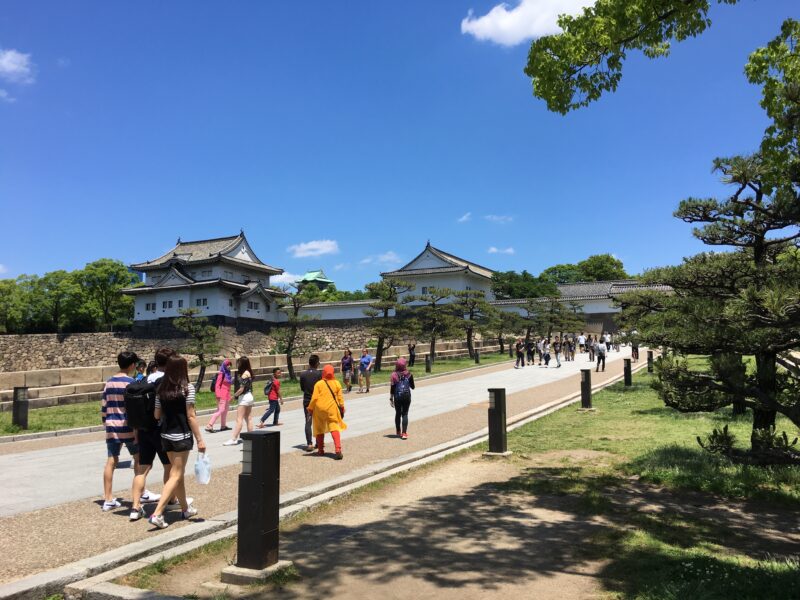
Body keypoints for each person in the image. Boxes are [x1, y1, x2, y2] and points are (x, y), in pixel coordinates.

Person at [147, 355, 206, 529]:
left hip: (165, 435)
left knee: (176, 473)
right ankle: (157, 513)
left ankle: (185, 509)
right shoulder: (187, 388)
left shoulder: (161, 390)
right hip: (181, 435)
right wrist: (200, 439)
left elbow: (157, 415)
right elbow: (191, 416)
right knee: (176, 474)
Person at [129, 347, 177, 520]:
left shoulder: (146, 378)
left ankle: (135, 507)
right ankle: (170, 499)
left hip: (143, 429)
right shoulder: (167, 380)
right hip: (160, 429)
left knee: (142, 470)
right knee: (169, 467)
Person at [101, 351, 140, 512]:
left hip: (111, 425)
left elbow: (104, 406)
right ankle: (139, 494)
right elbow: (134, 408)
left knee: (111, 460)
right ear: (132, 365)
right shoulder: (130, 383)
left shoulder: (109, 383)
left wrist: (106, 422)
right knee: (138, 459)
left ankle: (108, 498)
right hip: (128, 426)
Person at [308, 364, 346, 459]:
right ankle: (338, 449)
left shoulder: (319, 384)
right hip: (332, 408)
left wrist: (310, 408)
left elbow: (314, 398)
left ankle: (320, 450)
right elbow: (340, 398)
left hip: (319, 409)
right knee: (334, 427)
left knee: (319, 428)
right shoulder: (337, 383)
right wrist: (342, 407)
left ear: (323, 373)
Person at [223, 356, 254, 446]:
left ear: (242, 364)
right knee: (248, 418)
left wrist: (233, 397)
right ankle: (251, 437)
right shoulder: (248, 372)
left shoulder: (245, 374)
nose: (238, 364)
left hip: (244, 397)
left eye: (239, 363)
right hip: (249, 396)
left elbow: (241, 389)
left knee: (239, 419)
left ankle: (233, 439)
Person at [299, 355, 323, 451]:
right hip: (317, 401)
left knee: (308, 422)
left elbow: (302, 388)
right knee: (318, 422)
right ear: (317, 363)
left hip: (307, 401)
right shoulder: (319, 374)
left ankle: (309, 443)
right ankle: (318, 442)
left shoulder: (303, 374)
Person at [390, 358, 415, 439]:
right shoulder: (409, 374)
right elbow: (413, 387)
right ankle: (404, 433)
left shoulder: (394, 375)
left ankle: (398, 431)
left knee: (398, 413)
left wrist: (391, 398)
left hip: (397, 396)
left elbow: (392, 388)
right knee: (405, 413)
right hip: (407, 396)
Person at [206, 359, 233, 433]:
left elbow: (228, 386)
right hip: (221, 394)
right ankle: (209, 425)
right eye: (227, 364)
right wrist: (218, 395)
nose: (229, 366)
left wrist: (230, 395)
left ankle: (223, 426)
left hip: (227, 394)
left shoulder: (228, 373)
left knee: (225, 410)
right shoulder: (222, 373)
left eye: (230, 364)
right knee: (220, 410)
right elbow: (217, 385)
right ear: (224, 365)